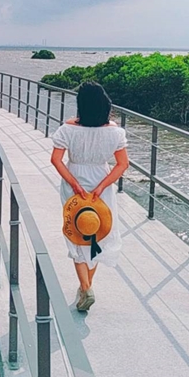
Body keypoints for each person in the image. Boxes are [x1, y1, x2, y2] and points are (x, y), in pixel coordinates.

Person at [50, 81, 129, 312]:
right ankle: (86, 287)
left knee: (77, 232)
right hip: (100, 185)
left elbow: (55, 160)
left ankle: (85, 286)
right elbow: (122, 164)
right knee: (96, 233)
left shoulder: (67, 129)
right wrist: (102, 185)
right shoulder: (115, 132)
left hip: (74, 179)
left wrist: (73, 183)